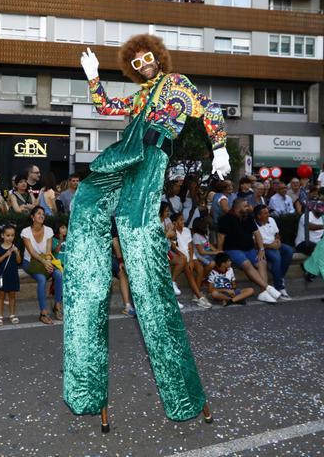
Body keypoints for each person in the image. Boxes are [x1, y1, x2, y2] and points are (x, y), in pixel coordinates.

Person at [65, 36, 231, 423]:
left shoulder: (177, 84)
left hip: (152, 155)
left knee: (135, 229)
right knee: (87, 199)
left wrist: (219, 147)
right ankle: (91, 273)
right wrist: (93, 79)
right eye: (137, 63)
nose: (145, 65)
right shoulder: (140, 97)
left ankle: (146, 273)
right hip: (127, 153)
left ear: (160, 57)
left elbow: (208, 108)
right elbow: (108, 107)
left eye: (148, 59)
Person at [217, 198, 281, 303]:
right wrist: (220, 252)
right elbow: (221, 237)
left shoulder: (248, 217)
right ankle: (267, 288)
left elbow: (257, 233)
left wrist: (261, 249)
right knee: (246, 263)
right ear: (238, 207)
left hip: (249, 249)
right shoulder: (225, 218)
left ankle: (263, 293)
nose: (249, 208)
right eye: (246, 206)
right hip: (233, 249)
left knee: (262, 262)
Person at [22, 207, 64, 324]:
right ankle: (43, 313)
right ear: (32, 217)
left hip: (45, 260)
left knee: (58, 274)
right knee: (41, 279)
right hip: (30, 262)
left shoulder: (48, 230)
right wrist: (45, 262)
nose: (41, 216)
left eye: (43, 214)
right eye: (38, 214)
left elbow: (48, 251)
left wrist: (48, 262)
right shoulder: (26, 232)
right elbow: (32, 252)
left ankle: (57, 305)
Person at [171, 212, 212, 309]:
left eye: (183, 219)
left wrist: (191, 260)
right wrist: (186, 259)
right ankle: (199, 296)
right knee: (189, 271)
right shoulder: (172, 232)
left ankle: (195, 293)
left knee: (200, 269)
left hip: (191, 256)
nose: (183, 221)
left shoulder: (186, 230)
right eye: (180, 220)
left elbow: (190, 246)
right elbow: (173, 247)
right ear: (175, 223)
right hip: (181, 257)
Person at [254, 204, 293, 299]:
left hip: (274, 244)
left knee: (289, 250)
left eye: (268, 212)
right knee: (276, 258)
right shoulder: (254, 224)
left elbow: (277, 234)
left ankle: (279, 278)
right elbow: (255, 243)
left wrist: (278, 241)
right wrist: (270, 245)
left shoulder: (271, 220)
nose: (268, 214)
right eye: (265, 213)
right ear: (259, 216)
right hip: (263, 248)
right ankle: (279, 287)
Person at [0, 224, 21, 326]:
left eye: (12, 235)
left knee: (12, 296)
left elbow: (18, 261)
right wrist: (6, 254)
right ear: (2, 235)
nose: (10, 237)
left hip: (12, 275)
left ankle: (12, 315)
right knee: (0, 297)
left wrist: (17, 253)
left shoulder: (15, 248)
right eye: (8, 235)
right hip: (0, 276)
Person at [110, 220, 135, 317]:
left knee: (122, 272)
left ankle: (127, 306)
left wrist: (120, 261)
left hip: (107, 258)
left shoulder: (110, 221)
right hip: (95, 259)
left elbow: (115, 242)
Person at [190, 217, 220, 284]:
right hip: (199, 256)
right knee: (212, 263)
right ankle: (203, 277)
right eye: (205, 224)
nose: (206, 225)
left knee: (220, 257)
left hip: (206, 254)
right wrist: (214, 252)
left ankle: (211, 277)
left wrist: (217, 251)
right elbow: (201, 252)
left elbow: (207, 246)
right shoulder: (196, 236)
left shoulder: (203, 235)